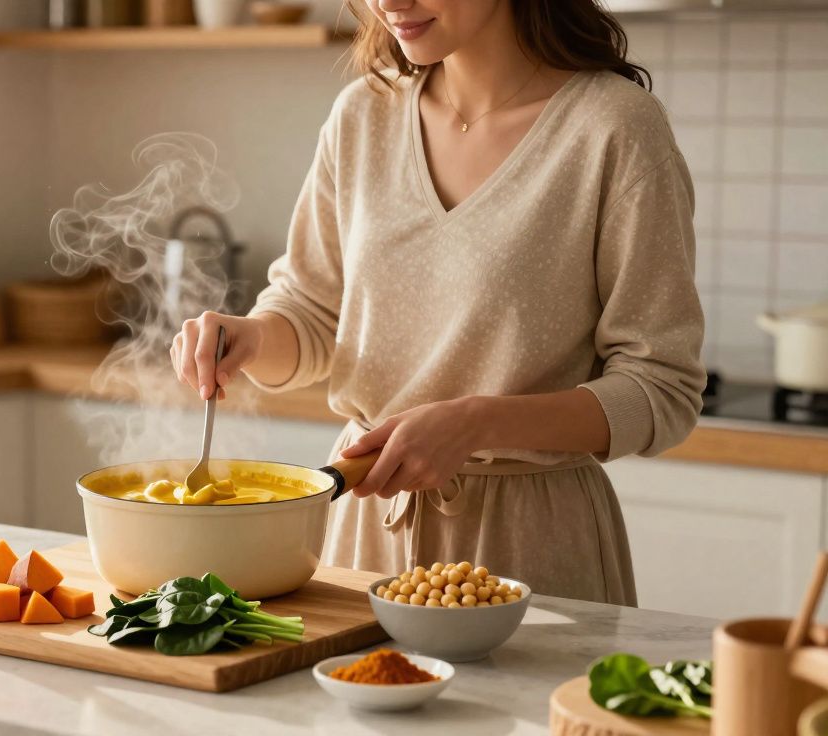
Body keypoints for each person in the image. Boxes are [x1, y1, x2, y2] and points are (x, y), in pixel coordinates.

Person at [168, 0, 706, 605]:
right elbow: (314, 311)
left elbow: (661, 388)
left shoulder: (615, 127)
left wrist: (477, 422)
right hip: (363, 533)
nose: (390, 2)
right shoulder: (362, 114)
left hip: (530, 548)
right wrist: (254, 338)